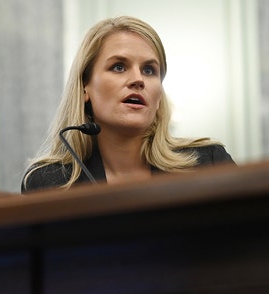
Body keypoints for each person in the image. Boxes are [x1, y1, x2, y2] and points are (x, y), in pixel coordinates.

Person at [21, 16, 235, 193]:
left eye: (149, 70)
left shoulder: (209, 163)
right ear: (85, 86)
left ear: (159, 94)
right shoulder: (48, 183)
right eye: (119, 67)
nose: (138, 79)